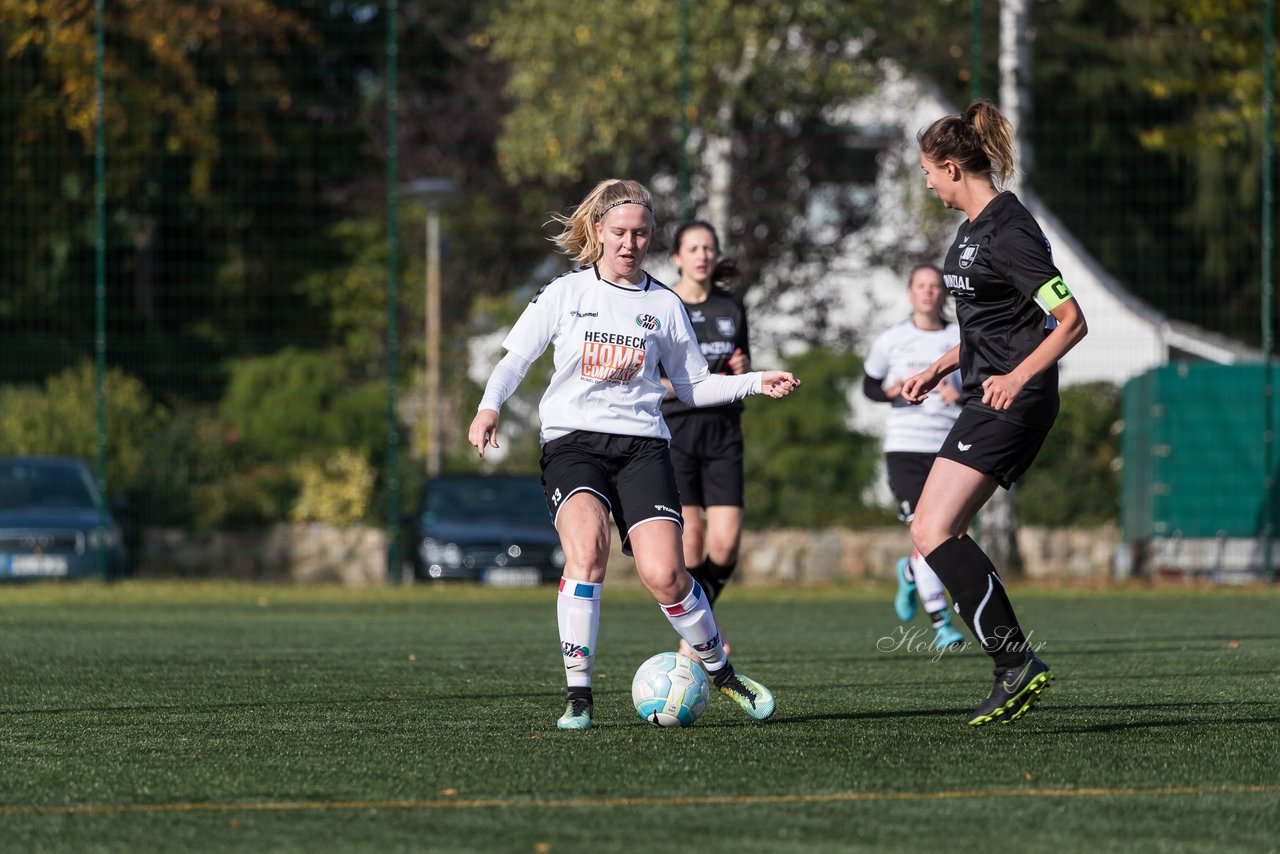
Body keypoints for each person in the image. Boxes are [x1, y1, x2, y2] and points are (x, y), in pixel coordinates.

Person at [467, 179, 802, 730]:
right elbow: (513, 361)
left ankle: (723, 674)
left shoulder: (665, 305)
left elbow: (692, 387)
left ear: (652, 239)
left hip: (644, 447)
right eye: (619, 232)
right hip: (572, 443)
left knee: (667, 575)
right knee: (588, 550)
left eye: (640, 234)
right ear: (598, 232)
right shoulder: (565, 294)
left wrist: (756, 382)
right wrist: (489, 407)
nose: (629, 243)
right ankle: (579, 697)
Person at [902, 100, 1087, 726]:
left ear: (952, 167)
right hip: (986, 394)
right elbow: (995, 325)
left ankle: (1014, 663)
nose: (925, 182)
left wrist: (1018, 375)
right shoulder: (971, 230)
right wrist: (942, 365)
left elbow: (1069, 322)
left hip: (1014, 400)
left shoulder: (1010, 230)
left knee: (931, 530)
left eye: (928, 170)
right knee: (933, 530)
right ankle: (1013, 662)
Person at [862, 263, 966, 651]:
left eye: (935, 286)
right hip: (905, 448)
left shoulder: (960, 336)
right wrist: (889, 391)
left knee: (946, 535)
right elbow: (869, 387)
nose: (928, 292)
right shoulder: (892, 339)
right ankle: (942, 624)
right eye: (921, 286)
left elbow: (981, 383)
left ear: (944, 294)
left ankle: (908, 571)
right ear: (910, 293)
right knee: (925, 537)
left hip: (950, 447)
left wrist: (963, 395)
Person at [660, 221, 750, 656]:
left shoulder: (732, 307)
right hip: (678, 431)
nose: (702, 255)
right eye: (693, 248)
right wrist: (697, 382)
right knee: (690, 540)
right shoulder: (662, 304)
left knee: (726, 543)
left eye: (708, 248)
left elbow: (739, 362)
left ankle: (701, 626)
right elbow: (652, 380)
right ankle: (699, 635)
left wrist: (741, 367)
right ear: (677, 257)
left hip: (724, 432)